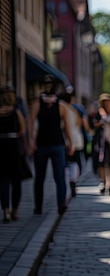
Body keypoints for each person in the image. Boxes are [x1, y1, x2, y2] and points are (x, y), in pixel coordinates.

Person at [29, 75, 74, 215]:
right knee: (40, 177)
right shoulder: (37, 104)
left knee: (59, 175)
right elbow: (30, 123)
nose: (48, 87)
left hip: (57, 144)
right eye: (46, 84)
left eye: (51, 85)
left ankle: (61, 204)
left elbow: (66, 126)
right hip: (41, 144)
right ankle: (38, 206)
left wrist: (70, 142)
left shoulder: (61, 106)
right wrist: (31, 140)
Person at [0, 86, 27, 222]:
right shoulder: (16, 111)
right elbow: (23, 129)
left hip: (1, 146)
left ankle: (6, 210)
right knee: (16, 180)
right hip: (14, 145)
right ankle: (15, 210)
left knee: (3, 180)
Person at [93, 93, 110, 195]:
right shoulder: (98, 114)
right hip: (100, 142)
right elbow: (93, 126)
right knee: (101, 163)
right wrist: (101, 122)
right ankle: (102, 182)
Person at [59, 88, 85, 198]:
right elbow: (79, 124)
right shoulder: (75, 111)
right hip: (76, 139)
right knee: (75, 162)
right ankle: (73, 180)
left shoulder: (60, 110)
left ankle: (68, 182)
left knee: (66, 163)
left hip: (64, 139)